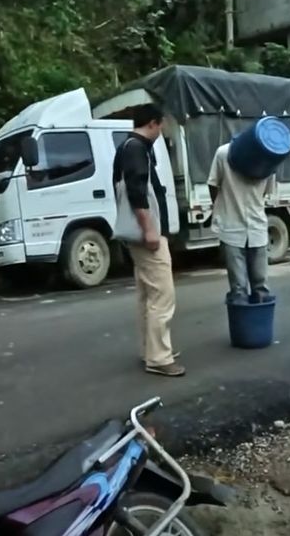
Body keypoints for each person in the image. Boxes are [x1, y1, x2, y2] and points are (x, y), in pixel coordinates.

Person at [113, 104, 185, 377]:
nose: (162, 130)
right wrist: (151, 230)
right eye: (162, 124)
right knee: (162, 295)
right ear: (154, 123)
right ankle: (159, 359)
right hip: (147, 235)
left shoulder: (126, 147)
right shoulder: (136, 148)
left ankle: (151, 351)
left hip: (139, 236)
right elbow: (136, 191)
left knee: (147, 295)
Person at [207, 141, 277, 302]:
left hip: (231, 227)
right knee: (261, 289)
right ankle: (260, 325)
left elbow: (213, 184)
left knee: (238, 289)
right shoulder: (270, 158)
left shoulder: (223, 153)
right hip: (256, 227)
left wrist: (221, 206)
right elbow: (267, 192)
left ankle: (242, 324)